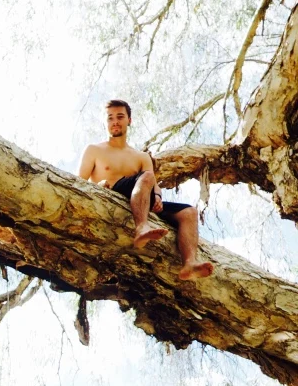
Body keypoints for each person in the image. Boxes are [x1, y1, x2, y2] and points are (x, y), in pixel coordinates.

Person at [78, 99, 213, 280]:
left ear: (129, 120)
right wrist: (98, 186)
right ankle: (141, 227)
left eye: (120, 117)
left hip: (141, 198)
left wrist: (157, 196)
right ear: (105, 122)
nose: (115, 122)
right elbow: (78, 183)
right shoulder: (94, 150)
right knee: (147, 177)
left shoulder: (141, 156)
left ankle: (189, 264)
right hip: (113, 192)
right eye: (110, 118)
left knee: (189, 213)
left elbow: (153, 184)